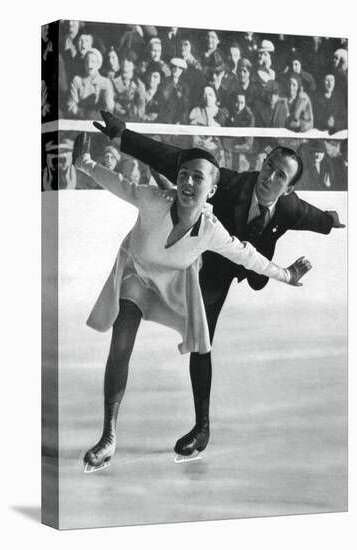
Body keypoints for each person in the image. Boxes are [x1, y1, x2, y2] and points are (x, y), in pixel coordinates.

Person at [91, 111, 345, 459]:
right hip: (212, 263)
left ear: (289, 187)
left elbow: (314, 218)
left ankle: (200, 423)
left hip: (251, 263)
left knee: (254, 277)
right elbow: (174, 157)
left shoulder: (291, 207)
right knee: (202, 340)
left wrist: (330, 222)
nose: (268, 177)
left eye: (279, 175)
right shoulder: (231, 183)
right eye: (268, 165)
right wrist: (123, 138)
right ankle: (202, 427)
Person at [66, 48, 114, 120]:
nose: (89, 65)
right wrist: (82, 113)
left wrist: (96, 116)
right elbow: (71, 105)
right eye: (87, 61)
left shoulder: (105, 83)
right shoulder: (77, 80)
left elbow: (109, 108)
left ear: (98, 64)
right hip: (79, 121)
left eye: (93, 62)